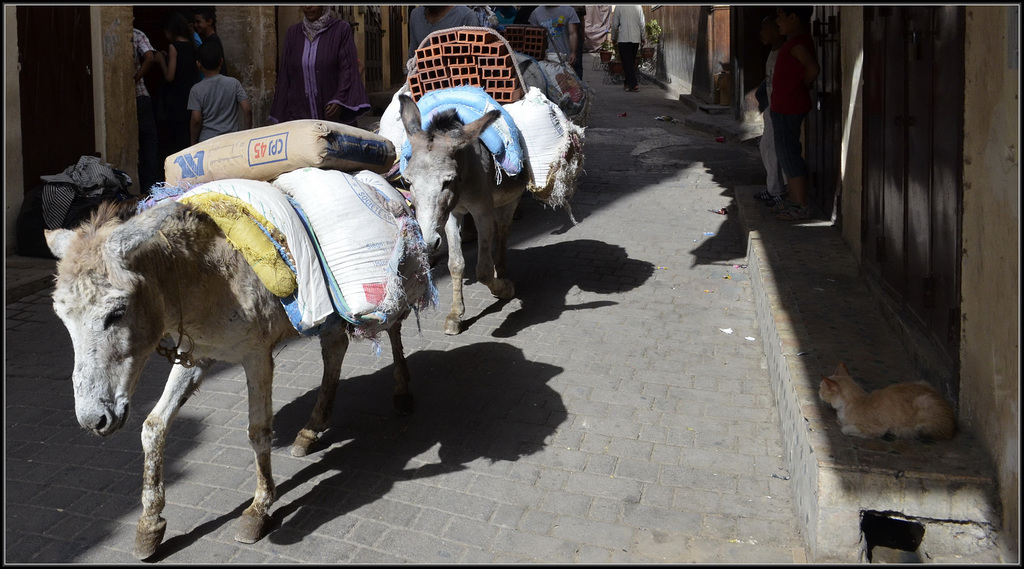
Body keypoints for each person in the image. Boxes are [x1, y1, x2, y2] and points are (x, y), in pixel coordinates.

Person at [269, 6, 370, 126]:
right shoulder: (293, 34)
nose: (308, 6)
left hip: (334, 120)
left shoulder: (341, 30)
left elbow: (348, 69)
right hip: (302, 121)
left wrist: (340, 100)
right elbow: (285, 77)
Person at [770, 6, 820, 220]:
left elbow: (813, 69)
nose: (777, 22)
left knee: (789, 154)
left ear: (793, 18)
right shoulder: (794, 42)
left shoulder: (798, 44)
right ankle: (793, 199)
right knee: (785, 152)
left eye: (780, 17)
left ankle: (800, 204)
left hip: (788, 107)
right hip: (784, 106)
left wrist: (802, 87)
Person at [187, 40, 252, 145]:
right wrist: (246, 133)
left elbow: (196, 119)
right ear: (221, 61)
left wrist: (193, 142)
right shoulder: (234, 83)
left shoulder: (196, 90)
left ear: (198, 64)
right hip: (231, 140)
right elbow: (247, 109)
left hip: (207, 141)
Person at [154, 12, 199, 158]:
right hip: (190, 97)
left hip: (176, 100)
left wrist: (161, 60)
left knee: (176, 139)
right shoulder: (192, 45)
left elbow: (170, 76)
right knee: (187, 137)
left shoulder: (174, 47)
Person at [757, 15, 787, 207]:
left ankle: (778, 190)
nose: (761, 34)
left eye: (765, 29)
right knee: (769, 147)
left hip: (780, 107)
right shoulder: (774, 52)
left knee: (773, 147)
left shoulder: (784, 52)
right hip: (772, 106)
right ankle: (773, 188)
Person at [132, 26, 161, 194]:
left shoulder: (131, 34)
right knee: (149, 140)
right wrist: (136, 78)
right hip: (142, 94)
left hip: (134, 95)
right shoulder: (138, 34)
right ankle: (150, 185)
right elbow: (150, 57)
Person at [407, 5, 478, 63]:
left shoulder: (466, 17)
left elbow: (475, 62)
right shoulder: (416, 15)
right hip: (423, 77)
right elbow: (412, 56)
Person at [611, 5, 644, 92]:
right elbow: (642, 23)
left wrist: (613, 38)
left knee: (627, 62)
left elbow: (614, 24)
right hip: (635, 38)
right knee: (631, 61)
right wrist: (643, 37)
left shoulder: (619, 6)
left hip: (623, 38)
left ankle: (633, 84)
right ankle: (627, 83)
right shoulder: (638, 6)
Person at [192, 9, 229, 77]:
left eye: (198, 22)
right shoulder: (209, 40)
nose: (196, 25)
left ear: (209, 22)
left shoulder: (212, 41)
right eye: (195, 22)